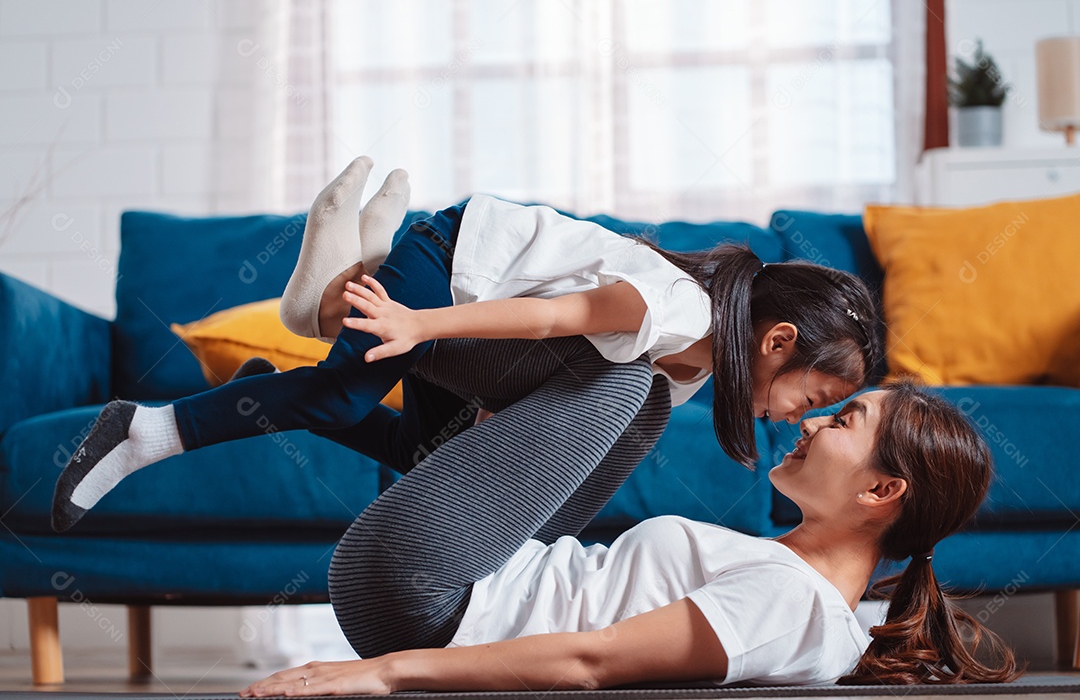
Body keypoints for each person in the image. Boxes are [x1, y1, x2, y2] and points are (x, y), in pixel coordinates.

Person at [51, 156, 879, 532]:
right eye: (811, 398)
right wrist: (415, 325)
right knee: (342, 391)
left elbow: (571, 418)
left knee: (425, 454)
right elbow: (553, 321)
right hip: (454, 269)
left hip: (462, 293)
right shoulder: (681, 311)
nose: (795, 417)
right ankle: (143, 429)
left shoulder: (682, 373)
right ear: (775, 341)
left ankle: (321, 323)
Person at [238, 381, 1021, 695]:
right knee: (600, 394)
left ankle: (323, 380)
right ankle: (317, 395)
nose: (814, 420)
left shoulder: (790, 602)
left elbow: (592, 660)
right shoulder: (820, 606)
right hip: (482, 572)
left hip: (436, 600)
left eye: (844, 420)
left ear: (882, 492)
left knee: (631, 381)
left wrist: (382, 674)